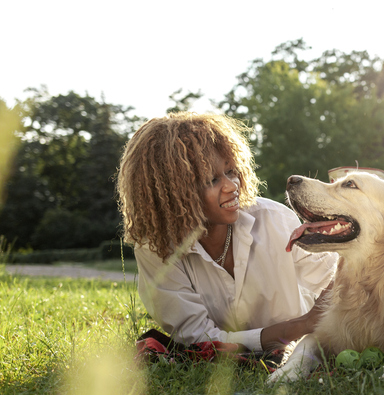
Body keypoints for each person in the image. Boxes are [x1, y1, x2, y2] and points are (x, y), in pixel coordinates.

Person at [116, 112, 336, 351]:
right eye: (212, 180)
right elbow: (201, 338)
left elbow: (336, 278)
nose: (232, 186)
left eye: (231, 171)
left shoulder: (274, 219)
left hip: (301, 351)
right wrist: (300, 325)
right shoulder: (156, 248)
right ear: (171, 194)